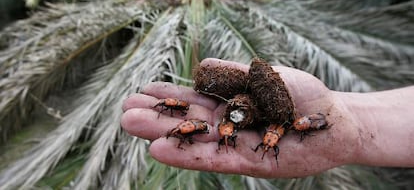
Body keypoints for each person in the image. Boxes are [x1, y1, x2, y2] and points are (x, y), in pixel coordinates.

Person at [121, 58, 414, 178]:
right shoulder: (238, 116)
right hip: (245, 114)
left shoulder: (279, 119)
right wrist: (355, 121)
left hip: (260, 117)